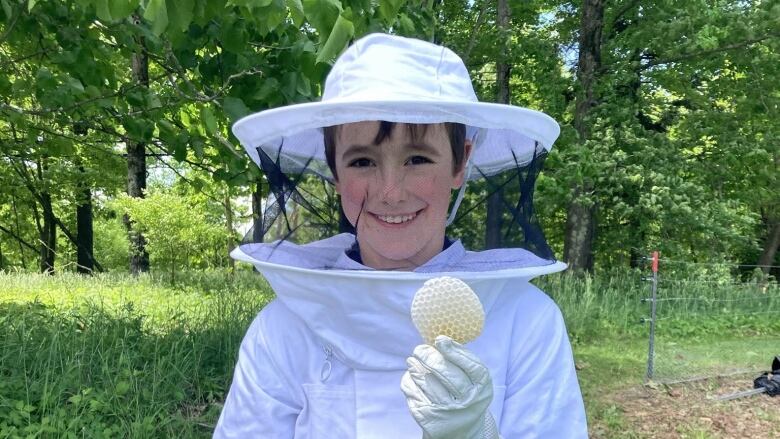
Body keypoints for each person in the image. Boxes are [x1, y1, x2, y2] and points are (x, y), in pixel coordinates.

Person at [214, 33, 587, 438]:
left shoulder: (527, 321)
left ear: (460, 162)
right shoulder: (283, 328)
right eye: (362, 161)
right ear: (335, 173)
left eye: (417, 159)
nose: (390, 192)